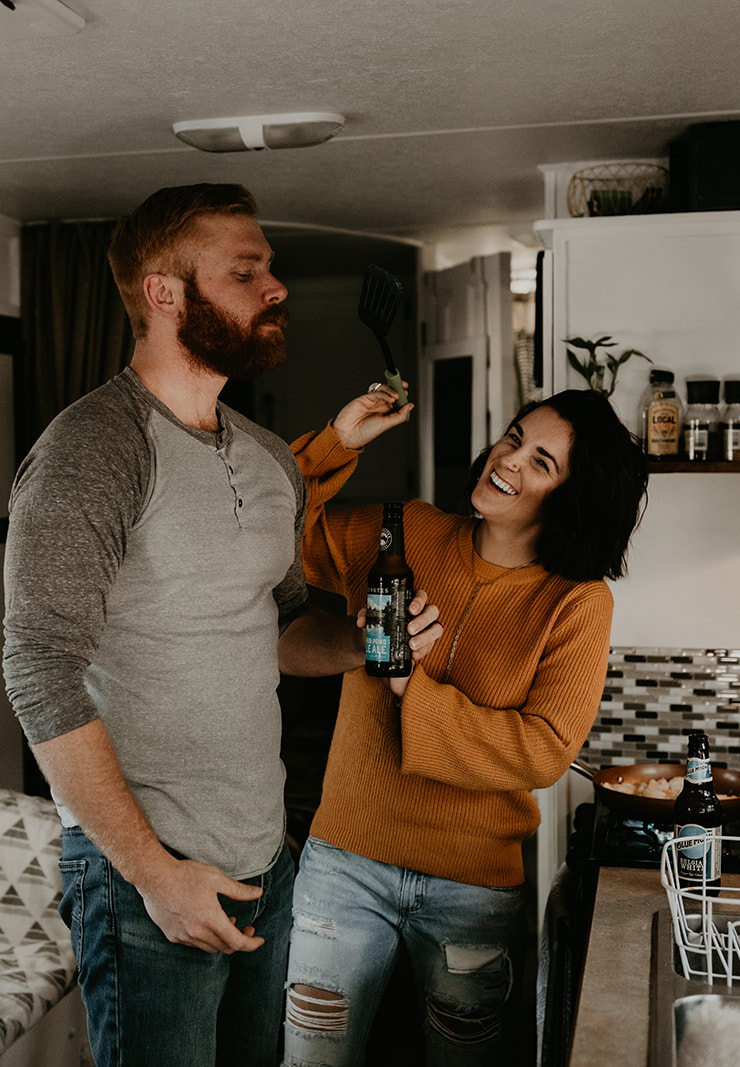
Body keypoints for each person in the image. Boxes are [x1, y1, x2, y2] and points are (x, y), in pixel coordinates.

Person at [1, 183, 431, 1067]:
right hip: (145, 877)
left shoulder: (272, 458)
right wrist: (156, 876)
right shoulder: (95, 448)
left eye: (268, 268)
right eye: (246, 271)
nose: (275, 287)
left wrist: (360, 640)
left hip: (263, 855)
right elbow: (38, 668)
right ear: (165, 293)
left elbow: (274, 628)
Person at [281, 385, 649, 1066]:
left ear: (573, 496)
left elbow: (542, 750)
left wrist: (407, 687)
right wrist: (340, 437)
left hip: (471, 894)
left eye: (541, 461)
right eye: (514, 436)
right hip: (343, 866)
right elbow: (277, 526)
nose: (508, 459)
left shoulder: (577, 603)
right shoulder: (409, 530)